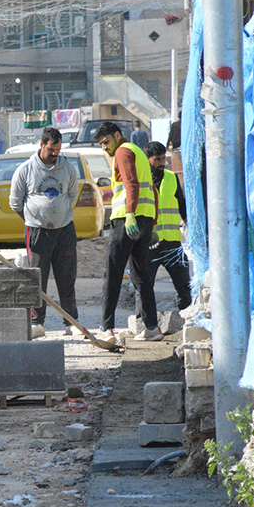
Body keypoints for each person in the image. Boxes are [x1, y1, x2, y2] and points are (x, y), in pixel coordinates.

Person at [8, 127, 80, 338]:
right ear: (42, 145)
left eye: (58, 149)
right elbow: (15, 203)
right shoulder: (26, 169)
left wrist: (59, 213)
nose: (55, 153)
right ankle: (37, 323)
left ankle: (71, 322)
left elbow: (73, 195)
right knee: (37, 279)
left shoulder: (67, 168)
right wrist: (34, 219)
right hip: (37, 233)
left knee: (67, 278)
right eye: (51, 149)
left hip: (65, 231)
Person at [95, 121, 163, 342]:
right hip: (142, 220)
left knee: (112, 273)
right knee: (141, 274)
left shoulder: (123, 152)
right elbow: (151, 189)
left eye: (106, 142)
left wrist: (130, 213)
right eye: (101, 144)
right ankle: (152, 327)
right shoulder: (138, 152)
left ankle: (106, 329)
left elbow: (131, 184)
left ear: (117, 135)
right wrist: (152, 220)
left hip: (126, 219)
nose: (104, 147)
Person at [136, 140, 192, 314]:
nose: (162, 163)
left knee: (184, 285)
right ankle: (143, 322)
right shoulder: (139, 180)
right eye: (157, 159)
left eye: (163, 158)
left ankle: (185, 318)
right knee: (143, 287)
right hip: (148, 244)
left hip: (172, 243)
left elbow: (181, 204)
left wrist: (188, 224)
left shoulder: (171, 177)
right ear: (147, 160)